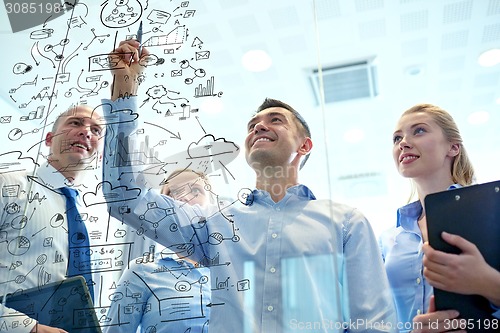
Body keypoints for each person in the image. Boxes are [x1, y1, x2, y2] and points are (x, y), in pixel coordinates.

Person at [101, 39, 397, 332]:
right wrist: (124, 94)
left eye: (276, 120)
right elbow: (125, 197)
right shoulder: (215, 224)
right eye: (252, 124)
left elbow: (373, 324)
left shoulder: (345, 223)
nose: (258, 126)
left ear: (304, 145)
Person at [379, 103, 500, 333]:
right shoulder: (388, 239)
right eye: (396, 138)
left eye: (419, 130)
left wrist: (488, 282)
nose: (402, 143)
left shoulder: (492, 214)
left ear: (453, 147)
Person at [0, 105, 105, 333]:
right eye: (75, 123)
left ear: (100, 156)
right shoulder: (7, 186)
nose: (86, 132)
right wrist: (25, 328)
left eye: (96, 130)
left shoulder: (92, 224)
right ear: (49, 139)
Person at [103, 169, 212, 333]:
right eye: (173, 192)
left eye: (195, 190)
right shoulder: (141, 272)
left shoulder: (238, 270)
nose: (184, 197)